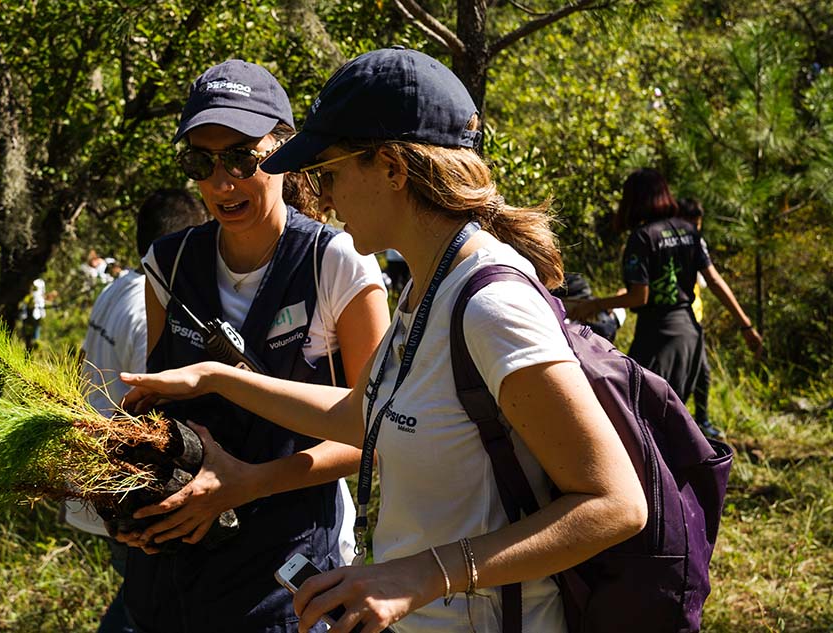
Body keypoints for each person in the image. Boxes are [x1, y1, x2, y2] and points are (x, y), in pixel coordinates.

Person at [119, 48, 649, 632]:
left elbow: (614, 505)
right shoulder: (426, 289)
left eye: (330, 173)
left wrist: (422, 576)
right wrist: (217, 376)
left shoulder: (490, 305)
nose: (321, 197)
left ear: (393, 169)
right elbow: (364, 415)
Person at [114, 59, 391, 632]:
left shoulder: (335, 263)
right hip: (181, 562)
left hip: (289, 564)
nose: (222, 182)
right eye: (201, 161)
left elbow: (380, 437)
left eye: (244, 156)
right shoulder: (170, 263)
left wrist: (247, 484)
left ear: (284, 152)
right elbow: (157, 408)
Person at [72, 188, 210, 633]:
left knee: (138, 603)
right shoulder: (147, 306)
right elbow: (149, 407)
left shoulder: (117, 289)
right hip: (127, 487)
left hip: (102, 477)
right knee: (146, 608)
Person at [568, 170, 763, 405]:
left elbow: (639, 297)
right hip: (690, 334)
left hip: (659, 335)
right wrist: (746, 325)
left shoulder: (642, 238)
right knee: (669, 415)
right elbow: (715, 281)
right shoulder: (689, 231)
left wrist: (596, 304)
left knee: (636, 408)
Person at [675, 198, 721, 438]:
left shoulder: (695, 241)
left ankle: (701, 420)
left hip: (695, 318)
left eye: (698, 223)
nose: (695, 227)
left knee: (702, 374)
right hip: (680, 320)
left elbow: (704, 280)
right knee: (686, 376)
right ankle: (683, 426)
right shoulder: (676, 242)